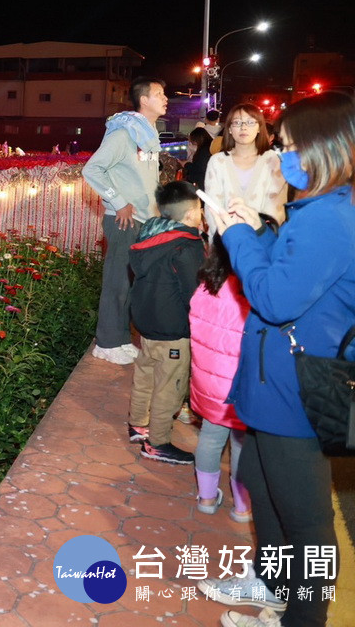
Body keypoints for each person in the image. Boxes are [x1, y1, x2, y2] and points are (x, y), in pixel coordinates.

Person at [200, 91, 355, 627]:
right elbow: (288, 275)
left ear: (325, 147)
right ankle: (273, 586)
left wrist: (236, 234)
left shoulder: (333, 216)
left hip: (299, 384)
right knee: (264, 490)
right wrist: (260, 232)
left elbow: (274, 298)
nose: (284, 156)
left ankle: (300, 617)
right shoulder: (318, 211)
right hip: (274, 378)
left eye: (290, 146)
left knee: (307, 520)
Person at [82, 77, 166, 365]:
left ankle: (119, 339)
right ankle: (105, 343)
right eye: (159, 94)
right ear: (144, 100)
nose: (165, 98)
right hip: (123, 221)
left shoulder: (146, 134)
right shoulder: (124, 134)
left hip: (144, 220)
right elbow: (92, 169)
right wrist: (117, 201)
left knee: (131, 284)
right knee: (117, 282)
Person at [126, 180, 205, 464]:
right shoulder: (188, 246)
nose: (201, 215)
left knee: (145, 374)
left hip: (146, 323)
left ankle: (137, 423)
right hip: (173, 330)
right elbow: (194, 294)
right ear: (189, 214)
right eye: (199, 209)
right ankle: (157, 442)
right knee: (169, 387)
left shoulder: (149, 234)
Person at [188, 234, 256, 522]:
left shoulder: (204, 287)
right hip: (241, 385)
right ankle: (242, 506)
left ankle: (206, 498)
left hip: (209, 382)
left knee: (210, 438)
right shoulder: (251, 292)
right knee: (242, 444)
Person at [203, 105, 287, 235]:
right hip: (226, 240)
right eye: (237, 122)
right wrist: (225, 238)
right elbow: (212, 207)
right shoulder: (217, 161)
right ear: (230, 129)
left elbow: (277, 207)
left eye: (250, 122)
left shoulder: (272, 160)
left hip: (262, 240)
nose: (243, 127)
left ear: (259, 127)